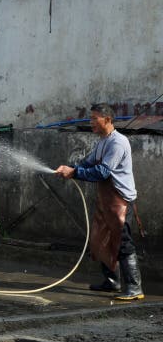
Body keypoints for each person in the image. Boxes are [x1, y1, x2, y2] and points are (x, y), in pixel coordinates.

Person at [55, 103, 143, 300]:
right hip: (107, 201)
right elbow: (88, 162)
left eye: (95, 118)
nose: (91, 122)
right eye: (91, 118)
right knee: (101, 240)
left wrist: (74, 173)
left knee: (122, 243)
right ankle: (112, 282)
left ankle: (135, 287)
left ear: (108, 120)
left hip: (121, 200)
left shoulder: (118, 143)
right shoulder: (103, 141)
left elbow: (102, 172)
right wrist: (69, 168)